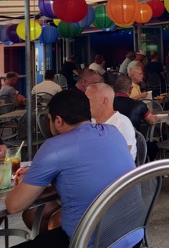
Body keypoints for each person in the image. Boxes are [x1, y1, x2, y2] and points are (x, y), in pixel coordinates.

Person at [5, 90, 135, 248]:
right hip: (132, 235)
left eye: (49, 120)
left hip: (89, 242)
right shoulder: (112, 132)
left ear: (58, 121)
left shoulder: (54, 147)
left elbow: (13, 205)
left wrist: (24, 181)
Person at [86, 83, 136, 160]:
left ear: (104, 101)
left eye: (88, 100)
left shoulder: (121, 124)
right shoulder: (91, 121)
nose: (84, 104)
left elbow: (122, 158)